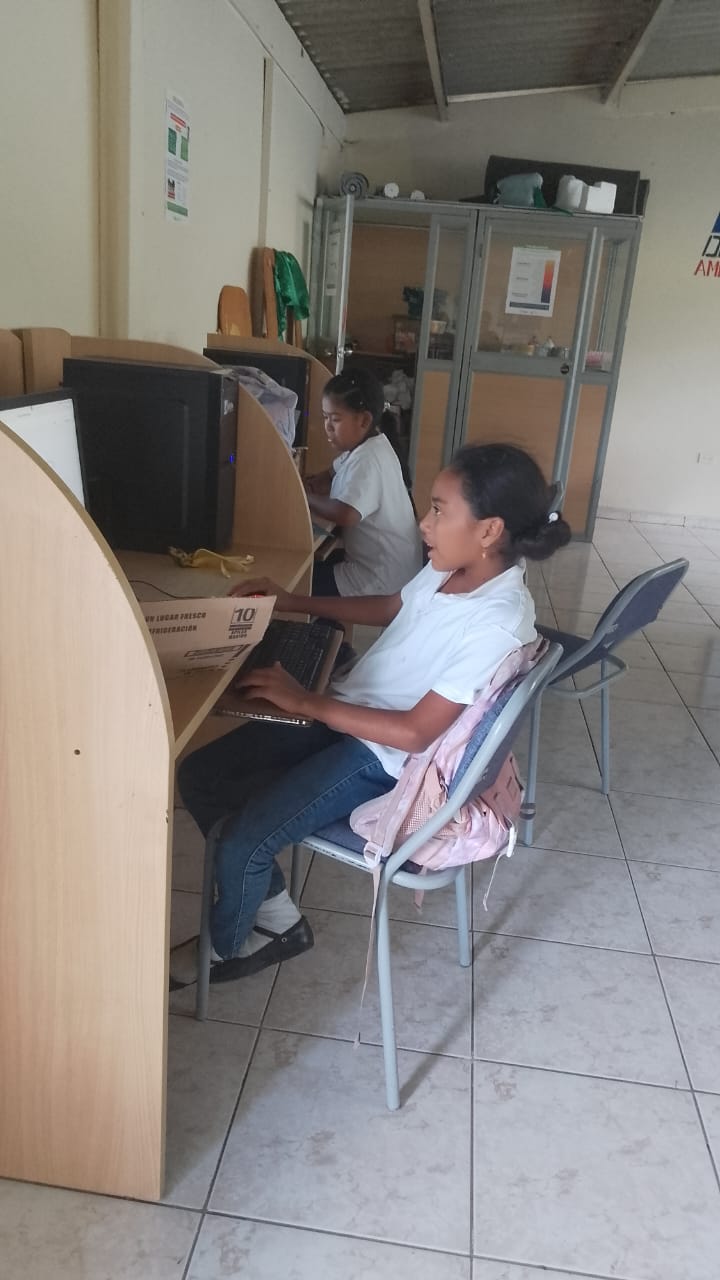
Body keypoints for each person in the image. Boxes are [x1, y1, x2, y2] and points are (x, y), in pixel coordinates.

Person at [171, 444, 571, 988]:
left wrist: (306, 702)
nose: (424, 523)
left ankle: (226, 948)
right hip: (351, 711)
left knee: (245, 841)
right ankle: (277, 915)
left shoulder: (496, 622)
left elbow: (414, 733)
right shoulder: (454, 568)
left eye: (438, 510)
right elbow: (393, 607)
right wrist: (292, 602)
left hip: (382, 755)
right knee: (199, 774)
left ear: (489, 530)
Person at [304, 367, 422, 596]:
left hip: (382, 580)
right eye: (325, 417)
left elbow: (346, 514)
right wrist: (309, 483)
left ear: (364, 420)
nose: (327, 427)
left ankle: (326, 619)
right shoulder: (368, 446)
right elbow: (329, 475)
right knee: (315, 564)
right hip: (390, 568)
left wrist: (303, 497)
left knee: (301, 582)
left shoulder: (368, 459)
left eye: (335, 419)